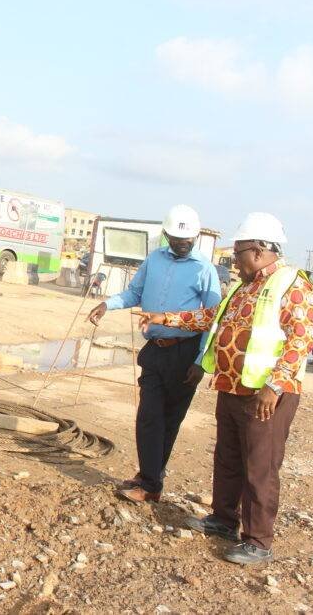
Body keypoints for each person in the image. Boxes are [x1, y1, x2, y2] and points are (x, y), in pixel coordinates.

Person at [136, 212, 313, 565]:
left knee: (259, 465)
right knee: (228, 457)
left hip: (266, 395)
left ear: (261, 250)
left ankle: (259, 541)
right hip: (233, 387)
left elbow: (301, 339)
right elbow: (211, 317)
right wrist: (165, 318)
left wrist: (274, 386)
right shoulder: (243, 285)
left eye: (240, 252)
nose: (234, 258)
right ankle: (222, 519)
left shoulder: (292, 285)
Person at [87, 205, 221, 503]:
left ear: (196, 237)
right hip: (155, 351)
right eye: (176, 240)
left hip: (185, 354)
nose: (182, 245)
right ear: (167, 236)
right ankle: (149, 480)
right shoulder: (154, 260)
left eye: (187, 241)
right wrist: (108, 304)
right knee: (149, 416)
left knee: (169, 420)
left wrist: (201, 361)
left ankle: (151, 481)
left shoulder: (205, 270)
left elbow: (213, 319)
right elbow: (135, 292)